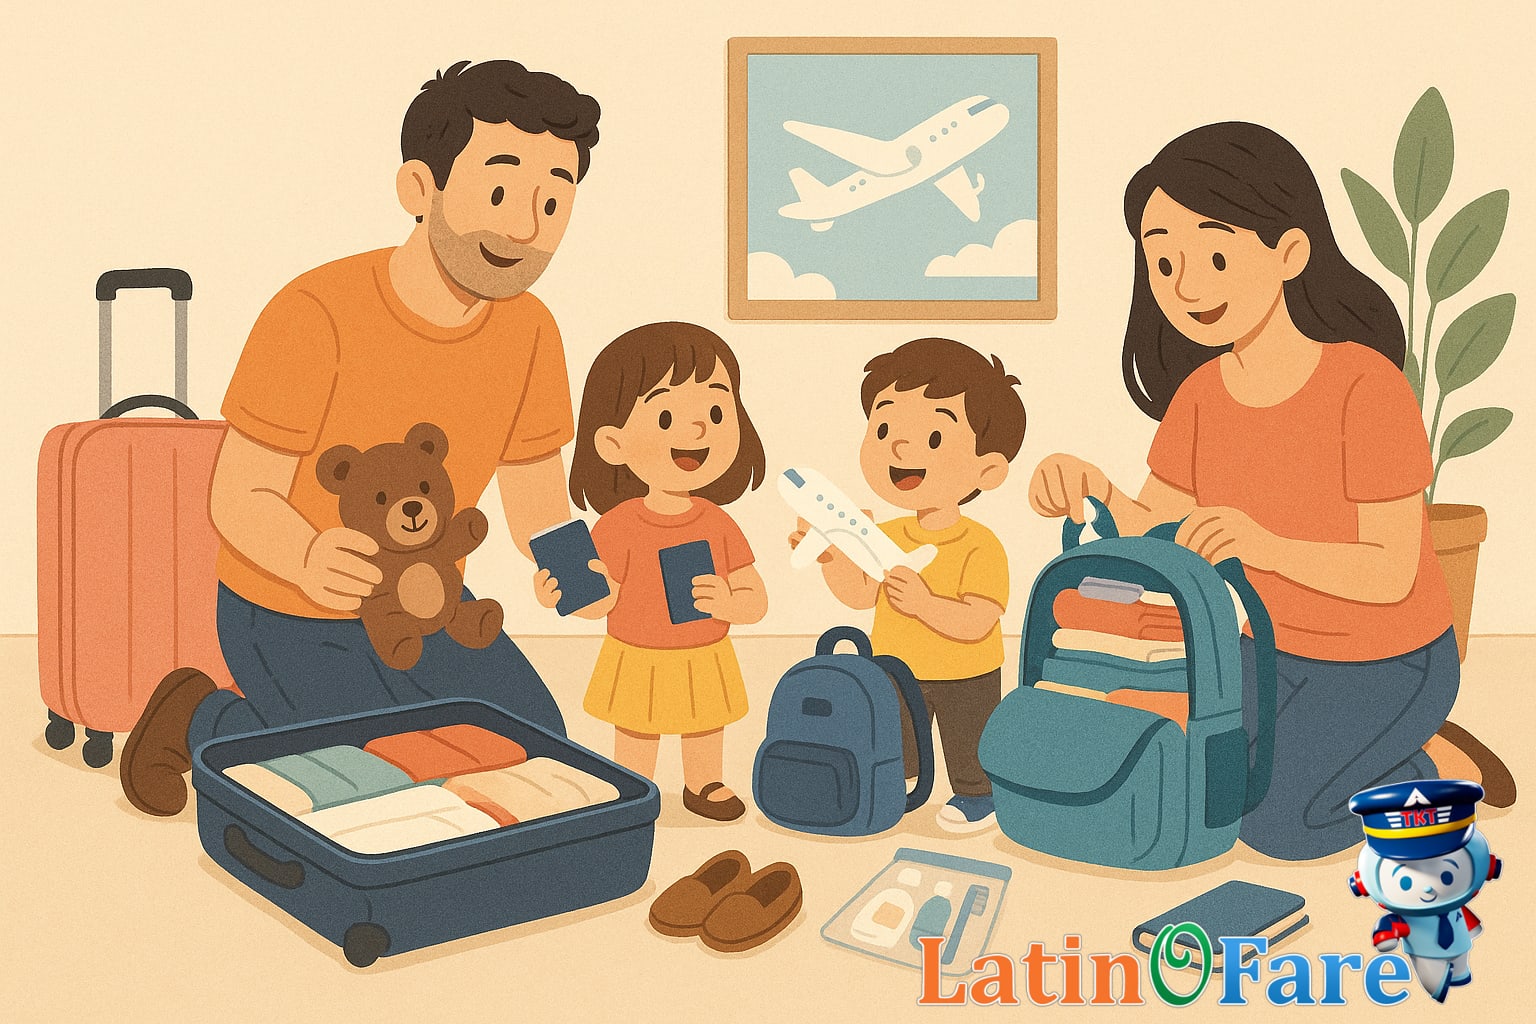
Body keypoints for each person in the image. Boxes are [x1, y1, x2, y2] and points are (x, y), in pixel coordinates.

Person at [120, 59, 601, 817]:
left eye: (553, 199)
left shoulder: (533, 330)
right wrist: (306, 556)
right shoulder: (317, 312)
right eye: (501, 190)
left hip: (428, 603)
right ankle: (205, 716)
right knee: (372, 781)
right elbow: (239, 494)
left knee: (537, 749)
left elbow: (536, 492)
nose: (523, 226)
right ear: (420, 189)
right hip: (288, 606)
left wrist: (580, 573)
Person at [1027, 121, 1514, 860]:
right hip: (1261, 649)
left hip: (1388, 660)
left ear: (1289, 251)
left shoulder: (1363, 385)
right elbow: (1155, 526)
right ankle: (1356, 747)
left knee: (1277, 827)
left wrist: (1266, 545)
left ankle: (1425, 758)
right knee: (1197, 782)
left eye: (1215, 254)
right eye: (1162, 263)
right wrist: (1091, 491)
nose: (1185, 286)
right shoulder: (1200, 396)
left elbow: (1388, 574)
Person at [791, 338, 1026, 832]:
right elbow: (860, 595)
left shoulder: (980, 544)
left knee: (968, 741)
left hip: (967, 672)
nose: (899, 447)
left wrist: (924, 604)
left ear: (988, 469)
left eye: (934, 438)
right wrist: (833, 555)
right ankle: (895, 781)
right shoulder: (888, 534)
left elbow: (979, 619)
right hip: (896, 667)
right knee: (898, 737)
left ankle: (978, 794)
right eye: (883, 429)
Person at [538, 322, 768, 821]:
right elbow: (603, 597)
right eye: (665, 415)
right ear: (612, 443)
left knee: (707, 723)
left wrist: (730, 603)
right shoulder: (617, 525)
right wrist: (564, 592)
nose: (698, 430)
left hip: (705, 652)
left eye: (714, 411)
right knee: (636, 726)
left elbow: (755, 596)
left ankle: (704, 784)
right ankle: (634, 786)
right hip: (636, 654)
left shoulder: (718, 521)